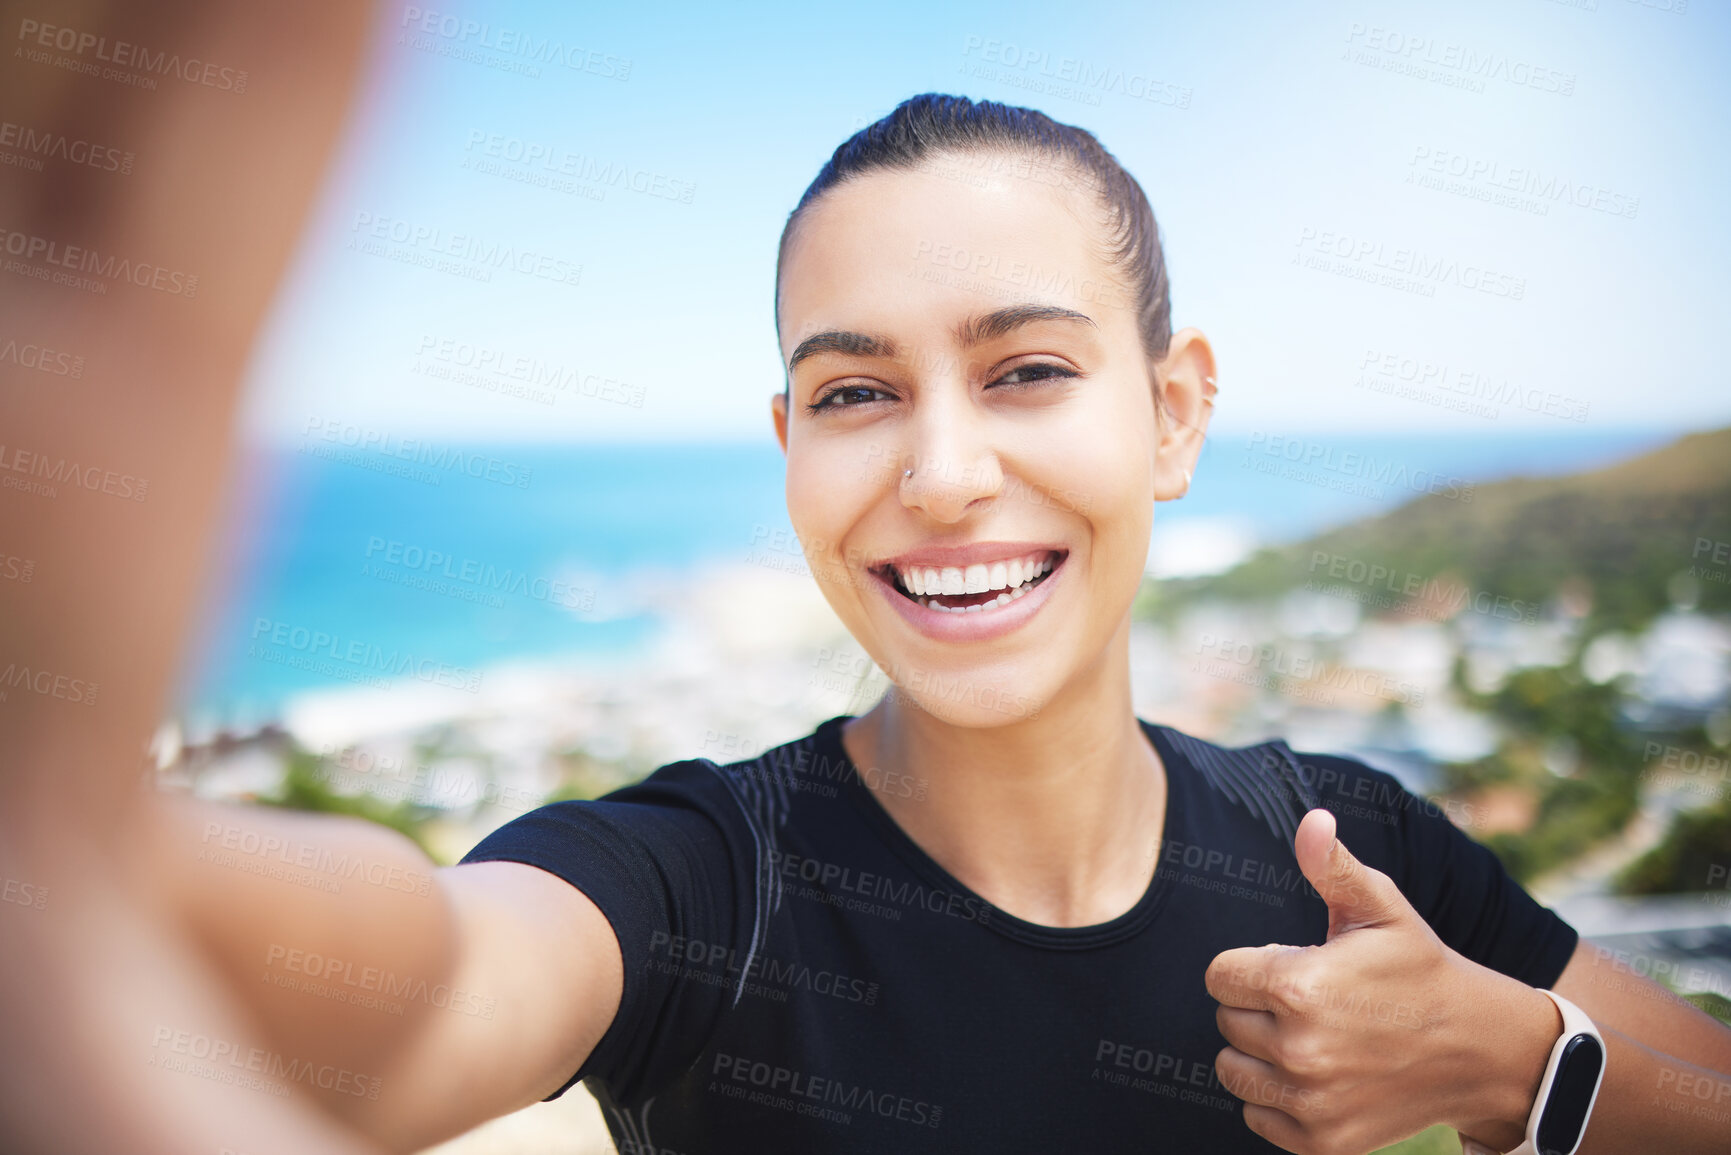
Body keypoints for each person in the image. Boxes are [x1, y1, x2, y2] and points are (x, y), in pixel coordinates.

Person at [15, 91, 1728, 1154]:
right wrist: (63, 840)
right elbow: (417, 986)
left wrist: (1522, 1063)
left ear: (1176, 414)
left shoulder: (1346, 851)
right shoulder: (702, 885)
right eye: (854, 393)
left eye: (1028, 370)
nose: (942, 468)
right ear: (790, 451)